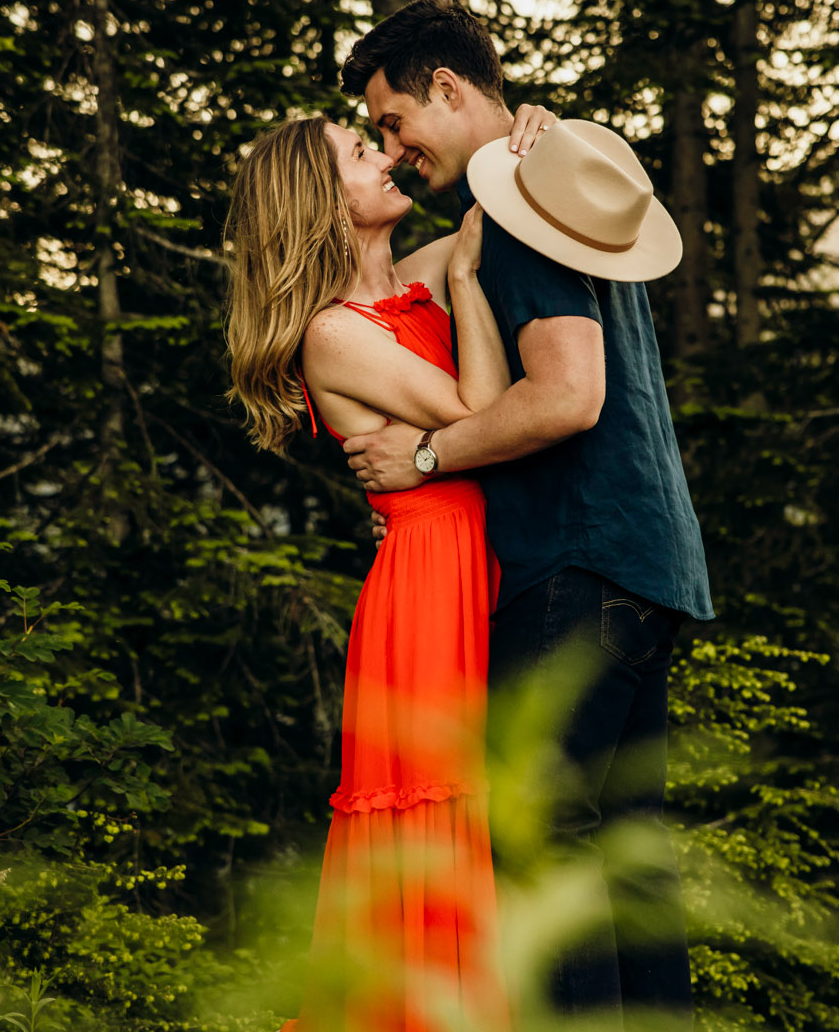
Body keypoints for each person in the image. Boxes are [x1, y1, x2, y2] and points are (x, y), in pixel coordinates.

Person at [338, 0, 714, 1030]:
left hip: (573, 561)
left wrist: (421, 454)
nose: (391, 147)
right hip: (647, 563)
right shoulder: (540, 190)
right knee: (624, 851)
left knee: (543, 839)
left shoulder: (514, 206)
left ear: (447, 91)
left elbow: (565, 395)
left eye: (391, 120)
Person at [225, 111, 536, 1032]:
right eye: (363, 153)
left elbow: (507, 190)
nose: (388, 156)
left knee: (495, 826)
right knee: (443, 826)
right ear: (325, 204)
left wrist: (535, 130)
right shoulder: (332, 333)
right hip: (429, 584)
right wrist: (472, 280)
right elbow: (482, 411)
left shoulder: (411, 278)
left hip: (475, 560)